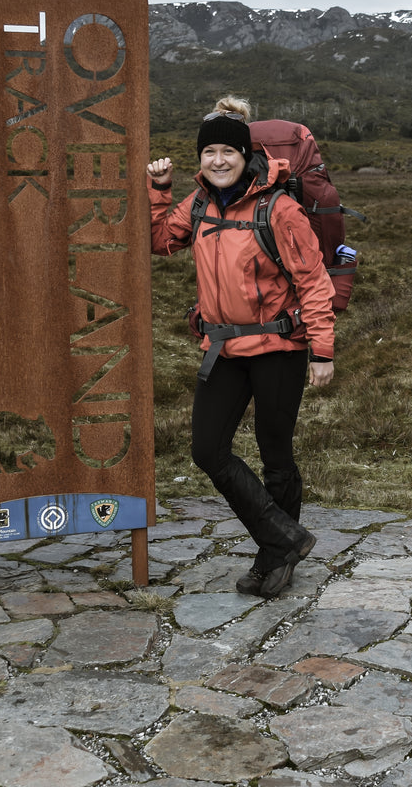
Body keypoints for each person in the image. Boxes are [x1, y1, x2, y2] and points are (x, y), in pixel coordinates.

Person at [147, 96, 336, 597]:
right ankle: (285, 537)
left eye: (228, 151)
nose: (218, 161)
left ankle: (275, 558)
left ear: (245, 154)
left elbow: (314, 281)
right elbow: (162, 240)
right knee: (207, 450)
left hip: (279, 350)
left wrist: (322, 349)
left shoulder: (281, 208)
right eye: (209, 152)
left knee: (277, 455)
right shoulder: (200, 202)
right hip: (223, 350)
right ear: (201, 158)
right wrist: (159, 189)